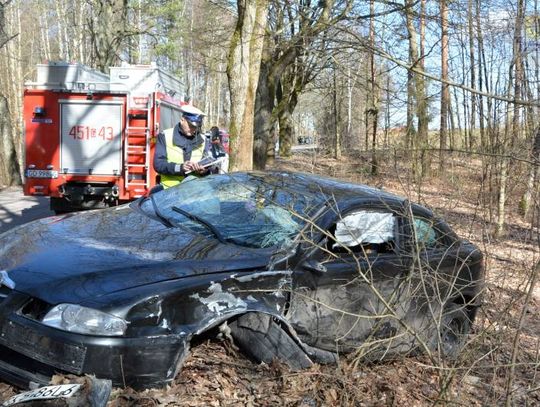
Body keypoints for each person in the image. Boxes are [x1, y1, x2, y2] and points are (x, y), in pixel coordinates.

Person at [153, 104, 208, 189]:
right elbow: (158, 164)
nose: (193, 129)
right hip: (170, 192)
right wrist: (180, 167)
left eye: (195, 127)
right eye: (190, 126)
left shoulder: (203, 140)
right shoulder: (165, 136)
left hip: (194, 191)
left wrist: (203, 171)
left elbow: (208, 167)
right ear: (182, 120)